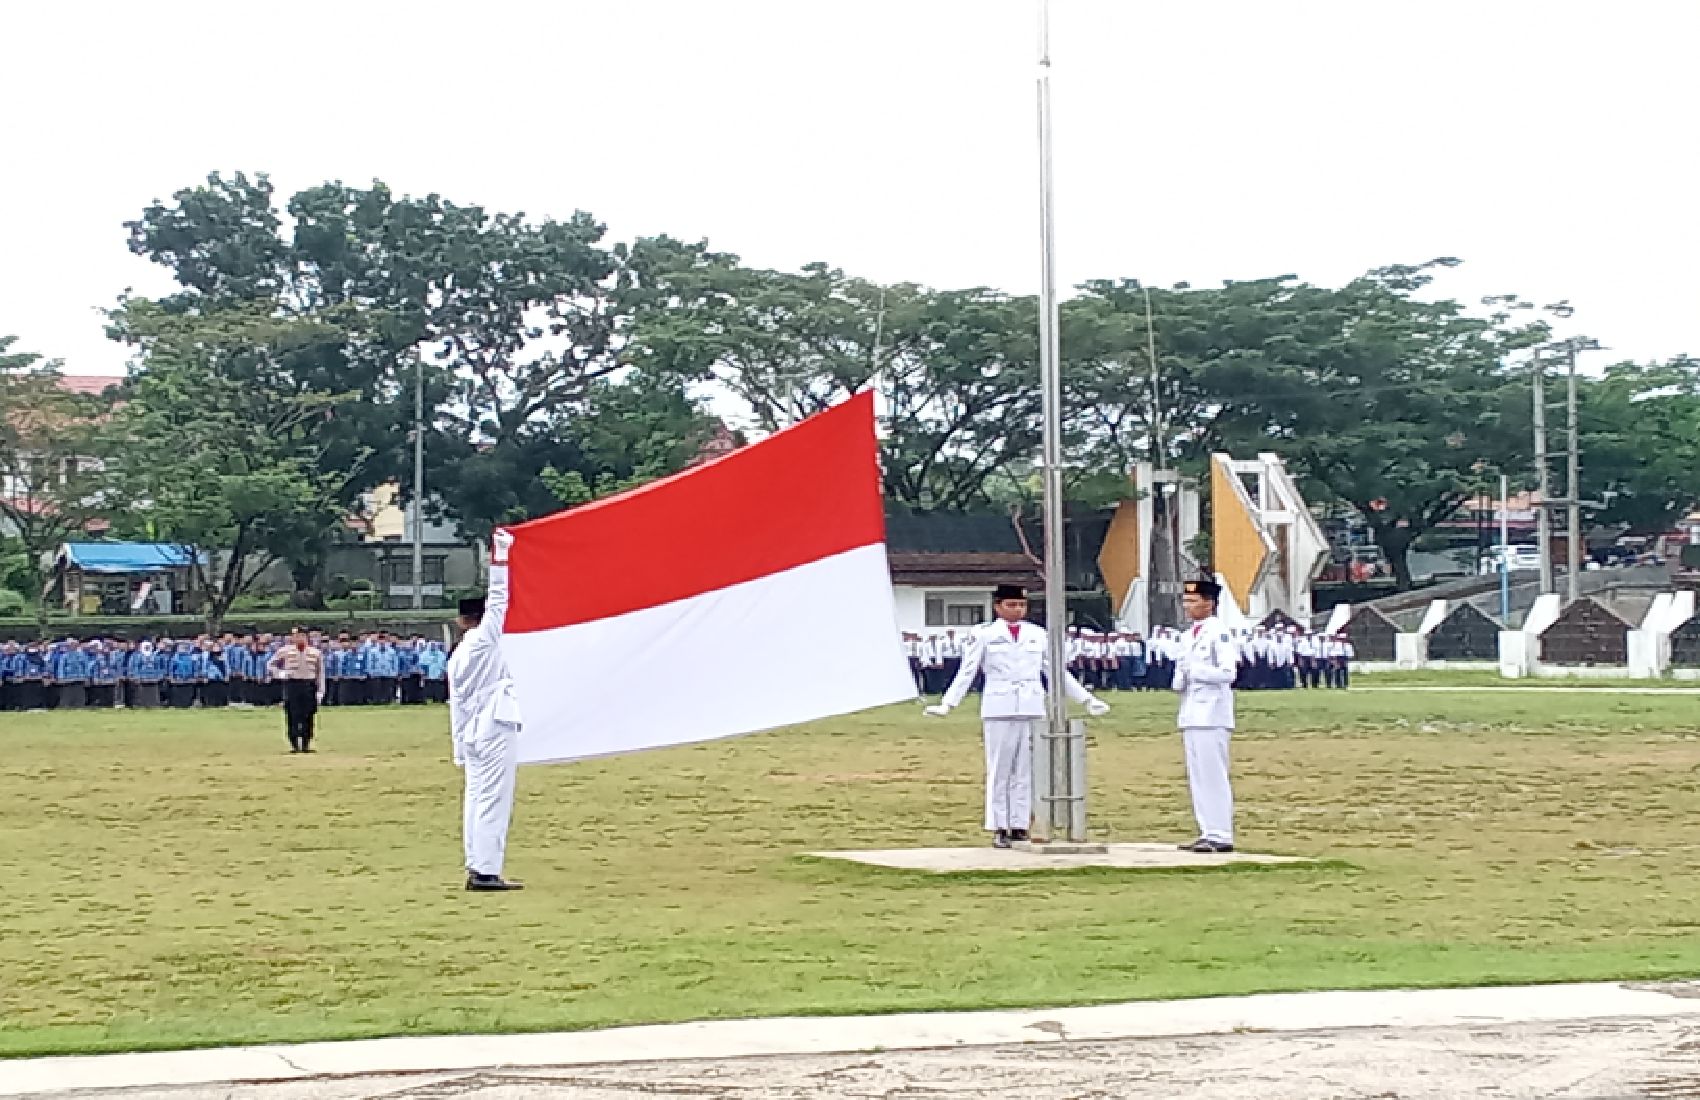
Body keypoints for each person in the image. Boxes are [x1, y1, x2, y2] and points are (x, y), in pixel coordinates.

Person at [925, 583, 1110, 849]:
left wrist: (1087, 699)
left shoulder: (1037, 634)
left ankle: (1020, 824)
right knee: (1000, 769)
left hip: (1031, 705)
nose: (1017, 610)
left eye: (1022, 605)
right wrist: (948, 704)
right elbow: (967, 672)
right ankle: (999, 825)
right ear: (998, 607)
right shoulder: (985, 635)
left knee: (1026, 771)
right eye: (1011, 605)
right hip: (999, 707)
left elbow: (1056, 672)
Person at [449, 529, 523, 892]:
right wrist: (501, 559)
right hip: (494, 725)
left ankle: (478, 863)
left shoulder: (457, 654)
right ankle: (486, 870)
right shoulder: (484, 640)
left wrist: (460, 745)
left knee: (476, 799)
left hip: (473, 731)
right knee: (493, 799)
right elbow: (499, 600)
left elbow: (457, 705)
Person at [1173, 578, 1238, 854]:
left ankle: (1221, 833)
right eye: (1186, 601)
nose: (1188, 606)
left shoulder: (1218, 633)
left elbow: (1228, 673)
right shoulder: (1188, 636)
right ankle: (1207, 830)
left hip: (1212, 712)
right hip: (1192, 711)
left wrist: (1195, 671)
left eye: (1193, 601)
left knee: (1213, 775)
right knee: (1197, 776)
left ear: (1209, 603)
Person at [268, 627, 326, 753]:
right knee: (292, 715)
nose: (299, 638)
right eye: (296, 636)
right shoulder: (284, 651)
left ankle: (306, 744)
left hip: (309, 686)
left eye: (302, 636)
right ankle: (294, 744)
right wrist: (280, 674)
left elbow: (320, 673)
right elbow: (270, 665)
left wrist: (320, 691)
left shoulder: (315, 653)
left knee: (308, 715)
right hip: (292, 685)